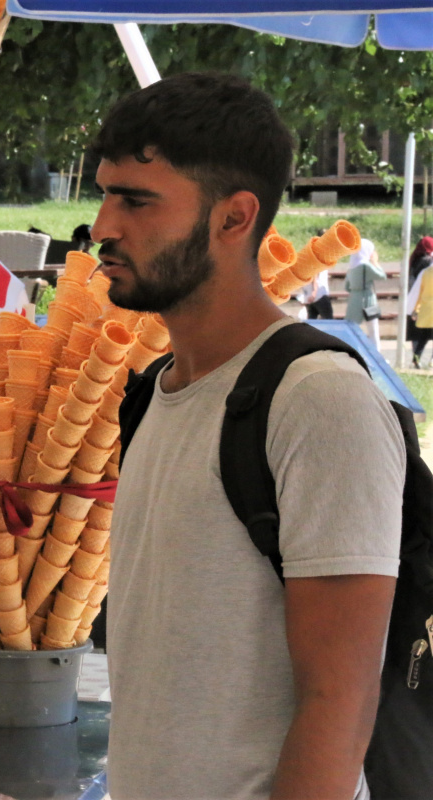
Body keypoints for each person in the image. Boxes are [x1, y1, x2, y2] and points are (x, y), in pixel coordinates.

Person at [92, 72, 402, 799]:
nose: (103, 226)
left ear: (234, 218)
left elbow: (342, 700)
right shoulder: (154, 392)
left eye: (136, 200)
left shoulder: (318, 400)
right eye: (104, 194)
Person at [344, 238, 387, 350]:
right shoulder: (365, 266)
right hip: (368, 298)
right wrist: (375, 262)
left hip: (354, 300)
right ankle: (376, 354)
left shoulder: (351, 267)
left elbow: (346, 287)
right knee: (373, 329)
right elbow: (382, 276)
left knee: (352, 328)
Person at [406, 253, 433, 368]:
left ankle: (416, 359)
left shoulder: (425, 272)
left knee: (423, 337)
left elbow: (418, 292)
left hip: (426, 309)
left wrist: (414, 309)